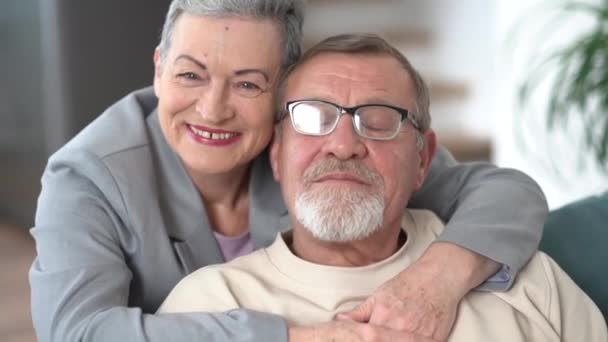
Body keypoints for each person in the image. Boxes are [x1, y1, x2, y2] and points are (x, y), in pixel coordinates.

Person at [29, 1, 548, 342]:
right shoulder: (86, 178)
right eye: (190, 74)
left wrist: (436, 281)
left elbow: (506, 195)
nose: (212, 110)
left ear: (285, 91)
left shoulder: (319, 151)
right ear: (158, 68)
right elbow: (77, 334)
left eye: (249, 84)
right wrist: (293, 336)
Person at [158, 33, 608, 342]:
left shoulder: (528, 283)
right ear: (276, 153)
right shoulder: (207, 307)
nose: (343, 145)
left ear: (423, 160)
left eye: (378, 121)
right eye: (313, 118)